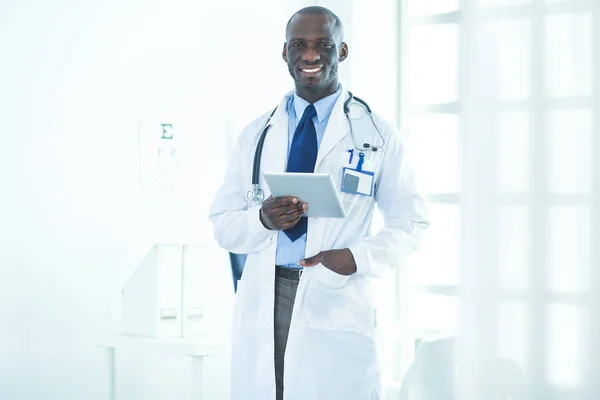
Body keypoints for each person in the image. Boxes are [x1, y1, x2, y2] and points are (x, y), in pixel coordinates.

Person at [209, 6, 429, 400]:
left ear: (342, 51)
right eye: (299, 45)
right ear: (285, 53)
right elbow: (223, 223)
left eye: (323, 45)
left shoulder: (375, 133)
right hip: (266, 294)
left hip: (333, 293)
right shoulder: (256, 134)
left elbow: (412, 222)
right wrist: (262, 219)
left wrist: (357, 256)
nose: (310, 56)